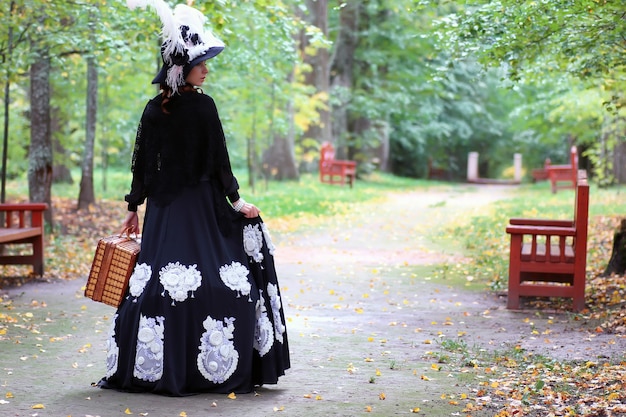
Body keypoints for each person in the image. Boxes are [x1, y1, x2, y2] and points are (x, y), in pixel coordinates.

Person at [96, 0, 290, 396]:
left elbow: (142, 168)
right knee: (221, 281)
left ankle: (164, 366)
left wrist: (134, 208)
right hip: (199, 209)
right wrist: (236, 203)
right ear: (182, 67)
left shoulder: (155, 109)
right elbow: (219, 161)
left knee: (156, 287)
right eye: (201, 61)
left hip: (165, 212)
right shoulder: (202, 107)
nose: (207, 68)